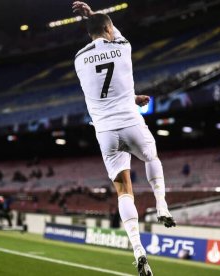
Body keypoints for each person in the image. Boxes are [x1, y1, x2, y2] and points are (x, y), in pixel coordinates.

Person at [73, 2, 175, 275]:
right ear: (108, 29)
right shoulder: (123, 46)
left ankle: (137, 249)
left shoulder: (79, 59)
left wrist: (131, 97)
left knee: (123, 191)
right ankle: (161, 205)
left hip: (106, 133)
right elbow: (110, 37)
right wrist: (94, 14)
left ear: (88, 34)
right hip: (130, 123)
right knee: (151, 156)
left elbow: (101, 92)